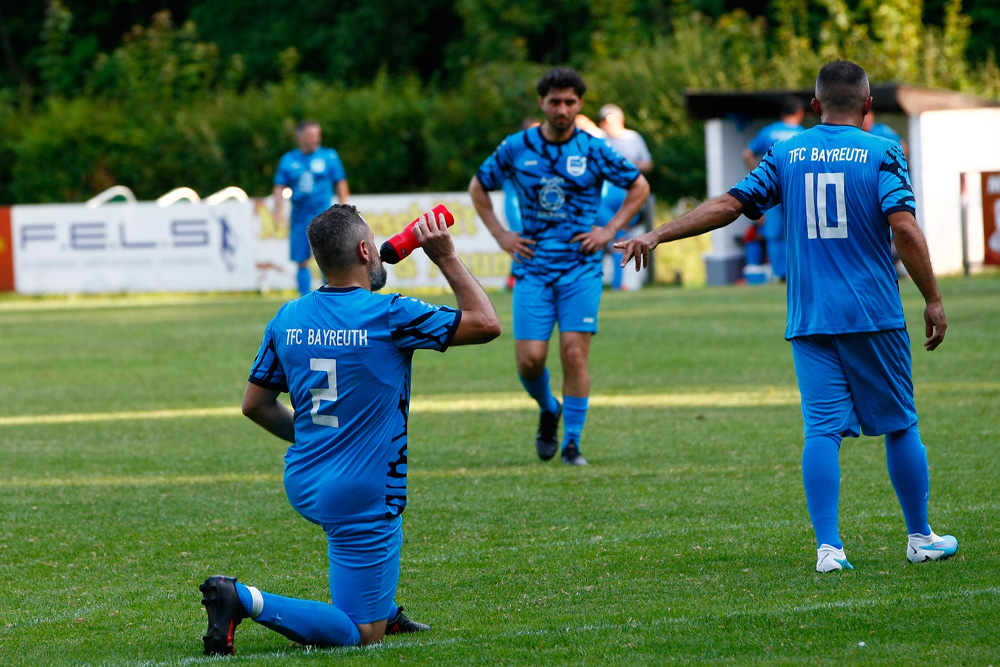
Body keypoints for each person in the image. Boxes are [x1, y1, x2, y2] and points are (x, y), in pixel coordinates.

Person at [616, 60, 958, 572]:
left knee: (821, 432)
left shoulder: (786, 151)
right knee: (900, 425)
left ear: (815, 107)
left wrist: (657, 233)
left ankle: (829, 549)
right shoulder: (883, 150)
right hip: (872, 313)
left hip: (810, 317)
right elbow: (904, 228)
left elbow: (730, 205)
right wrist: (932, 297)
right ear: (868, 108)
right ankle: (919, 537)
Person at [198, 205, 501, 654]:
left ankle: (383, 604)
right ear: (364, 250)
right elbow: (486, 323)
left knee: (363, 562)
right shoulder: (389, 314)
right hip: (360, 492)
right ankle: (243, 599)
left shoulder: (288, 317)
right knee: (361, 634)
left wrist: (317, 441)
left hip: (304, 478)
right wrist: (446, 257)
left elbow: (255, 405)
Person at [469, 67, 649, 467]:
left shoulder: (593, 148)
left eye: (570, 102)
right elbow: (478, 186)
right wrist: (501, 235)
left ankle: (573, 443)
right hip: (532, 267)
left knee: (574, 354)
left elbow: (639, 186)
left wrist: (609, 230)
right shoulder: (517, 146)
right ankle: (549, 408)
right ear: (542, 104)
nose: (563, 109)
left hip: (581, 268)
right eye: (555, 102)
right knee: (530, 359)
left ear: (580, 104)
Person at [272, 120, 350, 296]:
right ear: (300, 138)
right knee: (301, 261)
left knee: (327, 258)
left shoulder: (329, 156)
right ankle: (305, 299)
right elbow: (278, 187)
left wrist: (344, 207)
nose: (316, 139)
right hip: (300, 218)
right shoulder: (289, 159)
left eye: (318, 135)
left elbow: (341, 182)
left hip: (325, 217)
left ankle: (329, 297)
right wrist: (278, 212)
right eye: (311, 136)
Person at [741, 96, 806, 280]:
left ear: (781, 113)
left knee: (774, 232)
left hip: (773, 188)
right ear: (800, 113)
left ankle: (779, 274)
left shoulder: (768, 132)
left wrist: (760, 175)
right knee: (797, 231)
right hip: (797, 190)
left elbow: (747, 154)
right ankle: (797, 272)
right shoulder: (803, 134)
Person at [597, 103, 655, 290]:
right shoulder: (599, 139)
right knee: (616, 235)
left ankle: (622, 282)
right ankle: (617, 284)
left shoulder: (632, 137)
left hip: (629, 193)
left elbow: (648, 163)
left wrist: (629, 165)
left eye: (611, 121)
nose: (608, 125)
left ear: (620, 120)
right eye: (605, 122)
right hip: (606, 195)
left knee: (621, 235)